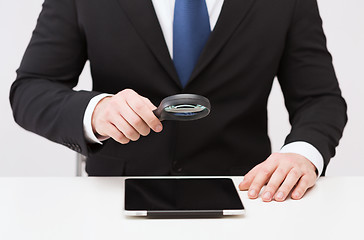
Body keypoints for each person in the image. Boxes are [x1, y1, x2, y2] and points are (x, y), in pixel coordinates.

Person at [10, 0, 347, 202]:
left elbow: (319, 98)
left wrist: (302, 153)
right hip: (115, 199)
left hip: (248, 196)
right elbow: (32, 88)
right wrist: (95, 111)